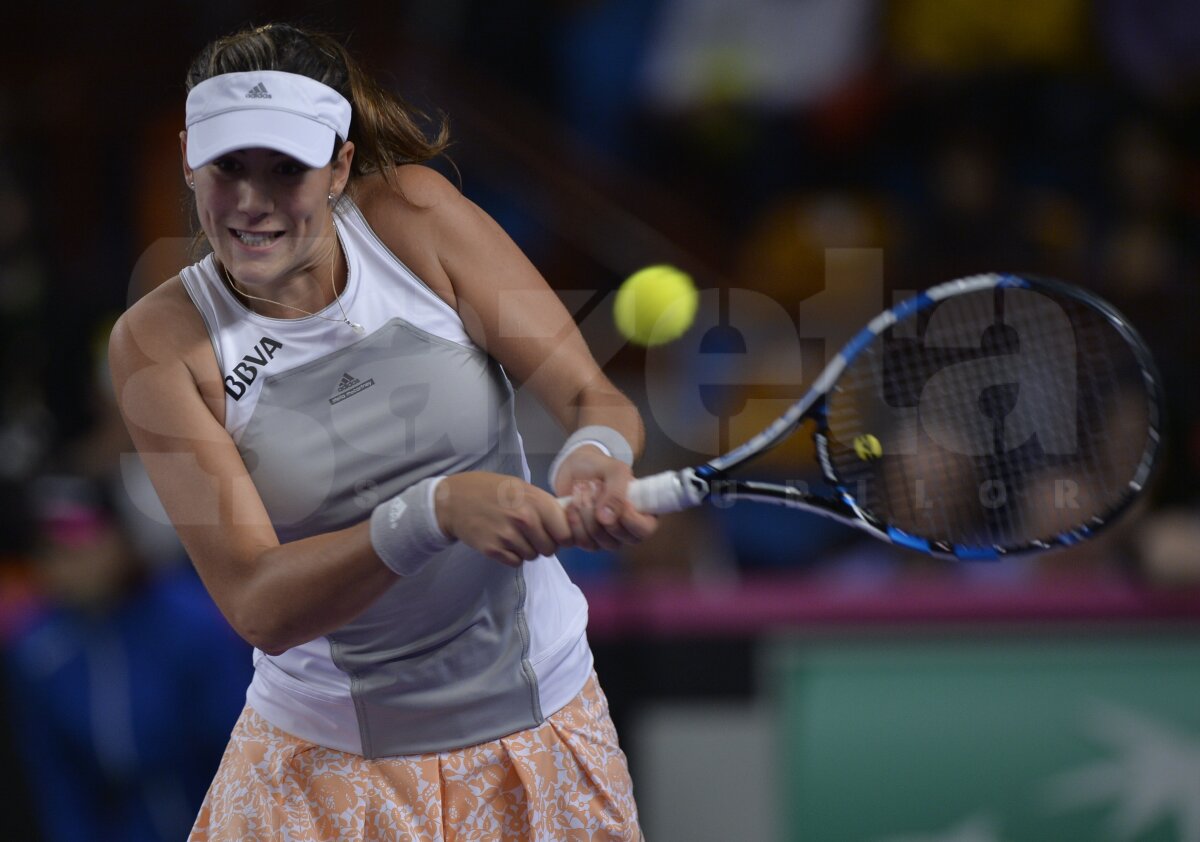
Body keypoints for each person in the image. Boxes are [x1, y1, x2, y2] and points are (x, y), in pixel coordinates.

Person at [107, 22, 657, 842]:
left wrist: (595, 458)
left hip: (543, 728)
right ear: (190, 156)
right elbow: (259, 603)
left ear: (339, 165)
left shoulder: (418, 218)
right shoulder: (156, 345)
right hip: (321, 772)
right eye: (228, 167)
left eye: (285, 168)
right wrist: (430, 513)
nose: (251, 203)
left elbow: (592, 398)